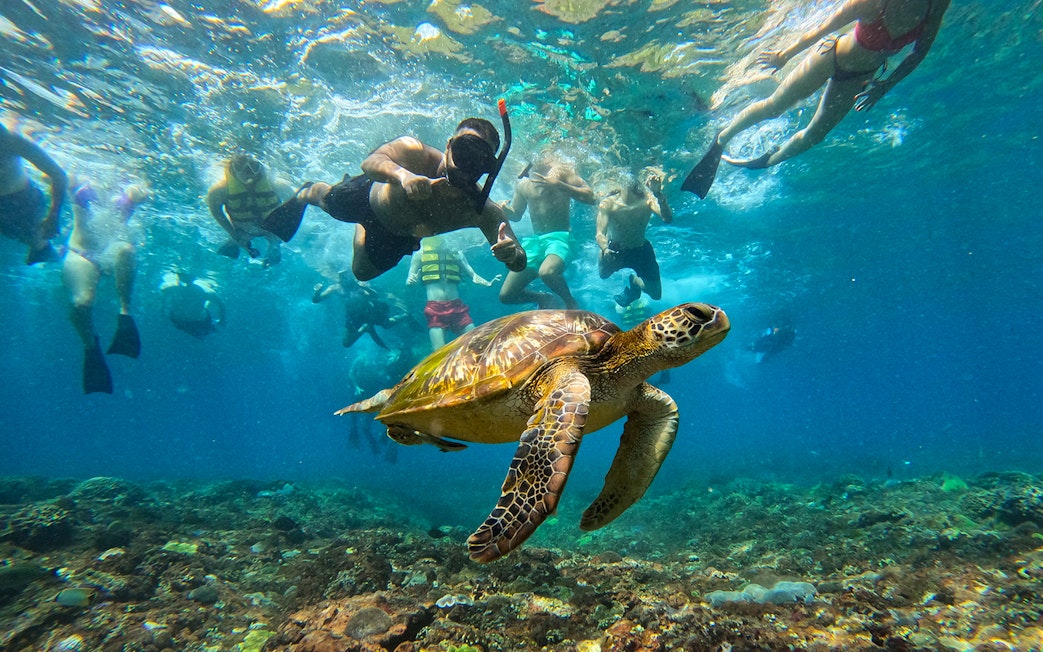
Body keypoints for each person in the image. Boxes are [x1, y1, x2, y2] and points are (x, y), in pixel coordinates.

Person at [682, 0, 950, 198]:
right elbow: (826, 26)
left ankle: (768, 160)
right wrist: (785, 55)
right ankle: (721, 139)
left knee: (815, 135)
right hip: (830, 56)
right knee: (775, 106)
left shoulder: (936, 4)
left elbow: (918, 52)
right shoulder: (874, 3)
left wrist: (884, 86)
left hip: (859, 78)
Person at [263, 117, 526, 281]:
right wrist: (402, 176)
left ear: (489, 167)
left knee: (362, 274)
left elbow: (519, 261)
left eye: (478, 160)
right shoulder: (415, 152)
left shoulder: (481, 210)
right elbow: (370, 162)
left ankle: (361, 231)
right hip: (368, 197)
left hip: (399, 234)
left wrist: (511, 255)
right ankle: (308, 191)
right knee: (326, 200)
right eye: (463, 151)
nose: (466, 165)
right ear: (448, 145)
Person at [63, 182, 149, 394]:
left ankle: (125, 314)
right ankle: (91, 346)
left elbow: (144, 193)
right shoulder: (81, 179)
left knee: (127, 251)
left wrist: (133, 194)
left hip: (110, 250)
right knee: (82, 303)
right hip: (80, 251)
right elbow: (67, 184)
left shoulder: (131, 182)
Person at [498, 155, 596, 309]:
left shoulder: (563, 172)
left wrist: (559, 185)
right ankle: (543, 298)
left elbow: (591, 197)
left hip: (559, 238)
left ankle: (570, 302)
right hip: (535, 242)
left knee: (547, 272)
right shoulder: (523, 184)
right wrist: (505, 210)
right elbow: (516, 214)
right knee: (506, 295)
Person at [407, 234, 501, 350]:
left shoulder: (457, 254)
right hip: (434, 309)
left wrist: (488, 282)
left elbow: (473, 274)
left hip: (457, 307)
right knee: (438, 353)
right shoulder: (420, 254)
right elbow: (409, 279)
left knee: (476, 344)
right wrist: (411, 280)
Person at [595, 168, 672, 307]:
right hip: (615, 249)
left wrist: (659, 194)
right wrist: (605, 249)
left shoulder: (648, 200)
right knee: (603, 274)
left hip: (641, 250)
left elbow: (667, 218)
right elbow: (600, 234)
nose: (636, 188)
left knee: (656, 295)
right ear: (621, 186)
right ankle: (632, 287)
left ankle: (635, 282)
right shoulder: (608, 204)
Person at [206, 154, 295, 266]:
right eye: (240, 166)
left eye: (253, 165)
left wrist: (283, 230)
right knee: (231, 248)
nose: (247, 171)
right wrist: (233, 233)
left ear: (261, 166)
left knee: (275, 244)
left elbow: (294, 208)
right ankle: (236, 247)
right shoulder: (219, 191)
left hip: (273, 229)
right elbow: (216, 212)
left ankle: (274, 248)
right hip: (243, 230)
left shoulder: (279, 185)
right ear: (231, 167)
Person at [0, 122, 68, 264]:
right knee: (31, 240)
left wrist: (54, 216)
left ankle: (53, 254)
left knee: (36, 241)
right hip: (10, 203)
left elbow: (59, 175)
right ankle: (46, 251)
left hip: (23, 201)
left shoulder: (12, 140)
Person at [312, 271, 413, 349]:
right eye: (342, 276)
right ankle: (365, 328)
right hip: (352, 316)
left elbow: (375, 296)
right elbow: (317, 300)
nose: (344, 278)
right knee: (346, 343)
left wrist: (366, 288)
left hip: (369, 312)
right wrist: (317, 292)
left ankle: (406, 315)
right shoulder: (334, 288)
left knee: (387, 324)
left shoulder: (358, 284)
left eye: (346, 275)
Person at [161, 271, 225, 339]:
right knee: (204, 332)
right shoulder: (206, 291)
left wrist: (164, 315)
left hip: (180, 320)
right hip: (197, 321)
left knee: (201, 332)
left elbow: (164, 304)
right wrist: (222, 319)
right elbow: (220, 303)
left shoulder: (169, 289)